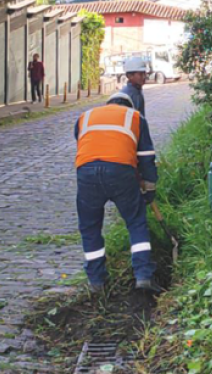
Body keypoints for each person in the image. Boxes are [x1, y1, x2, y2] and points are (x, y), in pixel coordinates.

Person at [74, 93, 160, 292]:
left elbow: (85, 144)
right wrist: (149, 189)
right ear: (129, 106)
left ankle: (96, 281)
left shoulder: (85, 117)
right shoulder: (135, 117)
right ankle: (143, 276)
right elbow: (146, 156)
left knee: (90, 227)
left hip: (86, 172)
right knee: (136, 222)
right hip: (120, 171)